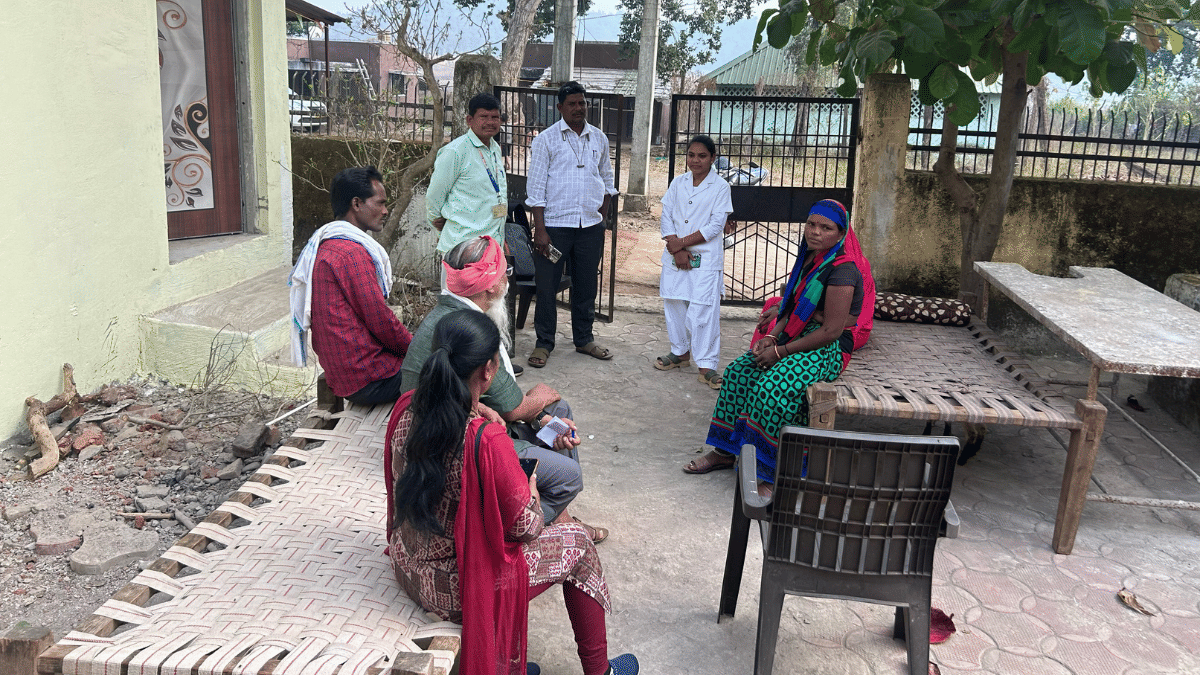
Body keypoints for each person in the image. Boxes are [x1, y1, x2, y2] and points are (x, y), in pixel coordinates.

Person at [385, 310, 638, 675]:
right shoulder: (485, 442)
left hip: (407, 564)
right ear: (488, 371)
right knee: (579, 544)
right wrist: (530, 491)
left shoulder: (407, 407)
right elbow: (526, 529)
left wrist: (480, 411)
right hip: (457, 590)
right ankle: (601, 671)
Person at [399, 236, 607, 542]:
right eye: (504, 271)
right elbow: (514, 409)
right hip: (459, 442)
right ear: (491, 287)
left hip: (452, 424)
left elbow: (488, 405)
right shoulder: (474, 333)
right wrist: (542, 397)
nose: (508, 277)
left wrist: (528, 415)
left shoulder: (445, 315)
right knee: (568, 474)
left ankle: (558, 515)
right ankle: (536, 521)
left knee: (555, 416)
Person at [683, 200, 872, 491]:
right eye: (811, 224)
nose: (816, 232)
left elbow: (832, 330)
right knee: (739, 373)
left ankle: (776, 472)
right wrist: (772, 337)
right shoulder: (808, 258)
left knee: (774, 388)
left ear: (841, 233)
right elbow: (791, 306)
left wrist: (781, 351)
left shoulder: (842, 270)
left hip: (829, 346)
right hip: (797, 332)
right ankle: (726, 452)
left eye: (826, 227)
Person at [289, 166, 413, 405]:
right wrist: (417, 348)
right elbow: (381, 320)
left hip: (346, 375)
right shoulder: (351, 254)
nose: (386, 211)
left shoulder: (327, 245)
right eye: (380, 203)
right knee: (451, 370)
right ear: (356, 204)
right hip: (368, 380)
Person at [525, 81, 618, 368]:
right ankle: (544, 343)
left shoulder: (599, 138)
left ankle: (584, 339)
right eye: (572, 104)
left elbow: (607, 180)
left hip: (590, 227)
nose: (579, 108)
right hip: (554, 226)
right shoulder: (546, 140)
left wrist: (601, 217)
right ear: (560, 108)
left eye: (582, 103)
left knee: (586, 285)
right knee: (547, 286)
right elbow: (536, 187)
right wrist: (540, 230)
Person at [654, 135, 734, 390]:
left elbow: (715, 226)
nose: (695, 160)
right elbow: (666, 216)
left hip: (705, 258)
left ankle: (707, 366)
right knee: (675, 304)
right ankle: (680, 353)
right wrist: (675, 246)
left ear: (712, 158)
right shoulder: (678, 183)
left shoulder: (720, 187)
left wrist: (682, 243)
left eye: (702, 156)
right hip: (675, 256)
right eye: (691, 155)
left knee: (703, 310)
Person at [426, 93, 508, 256]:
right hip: (462, 246)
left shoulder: (495, 149)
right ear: (469, 120)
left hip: (492, 244)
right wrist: (440, 226)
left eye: (495, 117)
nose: (490, 122)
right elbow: (434, 197)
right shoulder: (455, 151)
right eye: (484, 116)